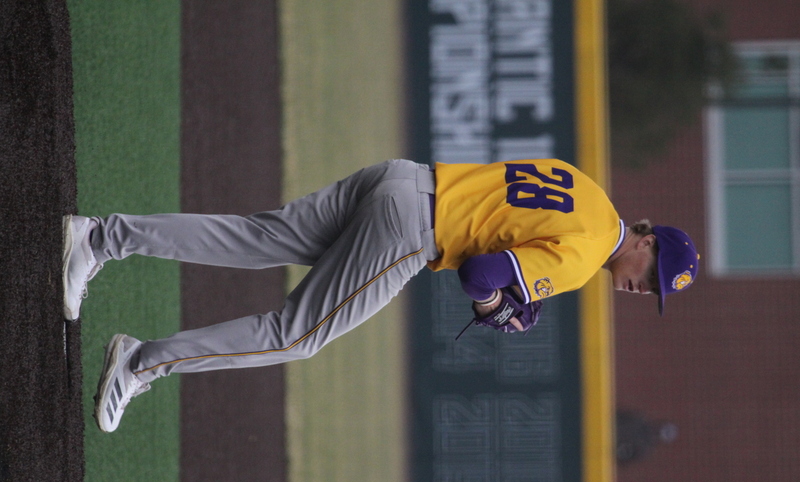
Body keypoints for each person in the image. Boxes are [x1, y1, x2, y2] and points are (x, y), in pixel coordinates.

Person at [63, 159, 699, 432]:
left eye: (657, 290)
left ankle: (97, 237)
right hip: (409, 232)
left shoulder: (588, 191)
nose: (647, 287)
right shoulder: (587, 256)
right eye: (656, 269)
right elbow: (479, 276)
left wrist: (501, 294)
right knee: (296, 335)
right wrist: (494, 309)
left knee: (258, 236)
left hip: (403, 180)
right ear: (646, 238)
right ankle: (139, 362)